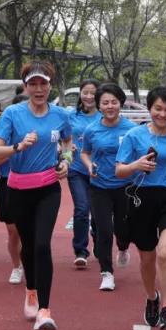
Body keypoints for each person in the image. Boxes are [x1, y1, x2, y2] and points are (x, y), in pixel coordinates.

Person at [0, 61, 72, 330]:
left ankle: (45, 311)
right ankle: (31, 290)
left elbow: (68, 142)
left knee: (42, 244)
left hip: (48, 188)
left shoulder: (60, 115)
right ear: (25, 86)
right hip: (18, 189)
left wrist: (66, 160)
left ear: (50, 86)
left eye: (43, 84)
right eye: (33, 84)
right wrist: (19, 146)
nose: (38, 89)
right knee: (28, 244)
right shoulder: (12, 114)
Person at [116, 85, 166, 330]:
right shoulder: (134, 136)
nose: (162, 114)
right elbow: (119, 171)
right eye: (157, 108)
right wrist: (136, 165)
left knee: (165, 252)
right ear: (149, 109)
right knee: (147, 258)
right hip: (142, 198)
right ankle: (152, 297)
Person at [81, 83, 135, 292]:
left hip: (125, 186)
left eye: (114, 102)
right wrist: (89, 165)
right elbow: (85, 153)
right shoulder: (92, 129)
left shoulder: (131, 129)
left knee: (123, 229)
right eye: (105, 103)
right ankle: (106, 272)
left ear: (121, 103)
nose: (110, 106)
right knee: (104, 230)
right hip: (100, 186)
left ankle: (123, 247)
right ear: (99, 105)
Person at [0, 95, 26, 285]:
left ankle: (31, 261)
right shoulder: (3, 131)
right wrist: (13, 150)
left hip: (34, 184)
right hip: (8, 183)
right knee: (13, 231)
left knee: (31, 230)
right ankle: (17, 266)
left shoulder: (38, 129)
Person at [67, 79, 101, 268]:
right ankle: (80, 250)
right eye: (85, 92)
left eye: (93, 93)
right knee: (82, 208)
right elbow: (62, 136)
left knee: (97, 212)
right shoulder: (71, 115)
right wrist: (66, 147)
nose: (89, 96)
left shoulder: (105, 116)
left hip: (99, 171)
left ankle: (98, 239)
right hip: (77, 169)